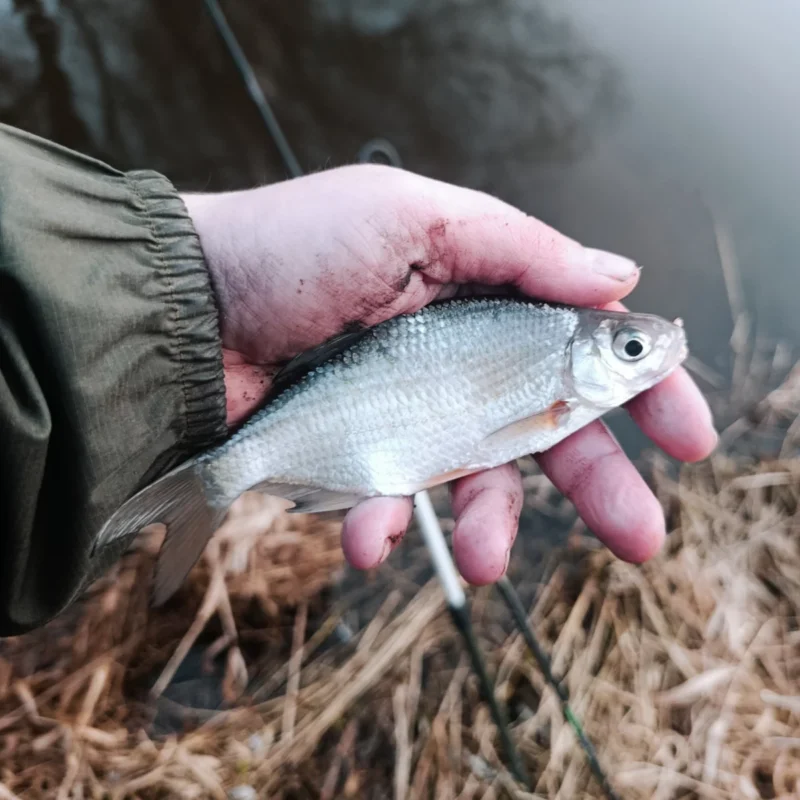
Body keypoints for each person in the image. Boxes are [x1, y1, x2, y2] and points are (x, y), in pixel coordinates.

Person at [0, 124, 717, 636]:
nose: (641, 355)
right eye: (631, 348)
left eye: (631, 348)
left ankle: (197, 483)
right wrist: (216, 278)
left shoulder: (555, 364)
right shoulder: (555, 371)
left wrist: (188, 283)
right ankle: (201, 484)